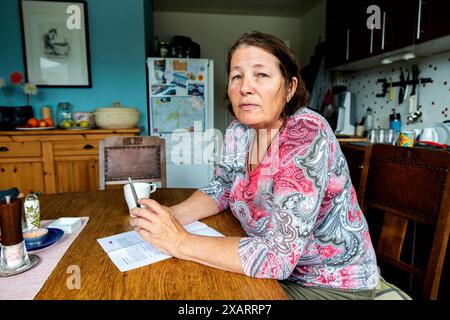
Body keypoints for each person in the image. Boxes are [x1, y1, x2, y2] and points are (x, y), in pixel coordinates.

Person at [130, 31, 380, 300]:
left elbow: (278, 256)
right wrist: (171, 216)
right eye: (237, 76)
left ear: (290, 88)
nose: (245, 87)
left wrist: (178, 240)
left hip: (326, 283)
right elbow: (222, 187)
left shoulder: (306, 134)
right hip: (274, 271)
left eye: (261, 75)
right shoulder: (240, 130)